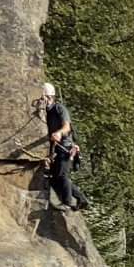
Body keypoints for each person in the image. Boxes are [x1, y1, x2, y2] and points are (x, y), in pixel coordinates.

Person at [36, 80, 86, 211]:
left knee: (62, 175)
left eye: (44, 98)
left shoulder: (59, 108)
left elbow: (66, 126)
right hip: (57, 148)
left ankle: (67, 203)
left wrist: (59, 133)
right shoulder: (46, 112)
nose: (42, 101)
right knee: (55, 177)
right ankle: (82, 199)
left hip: (66, 147)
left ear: (49, 97)